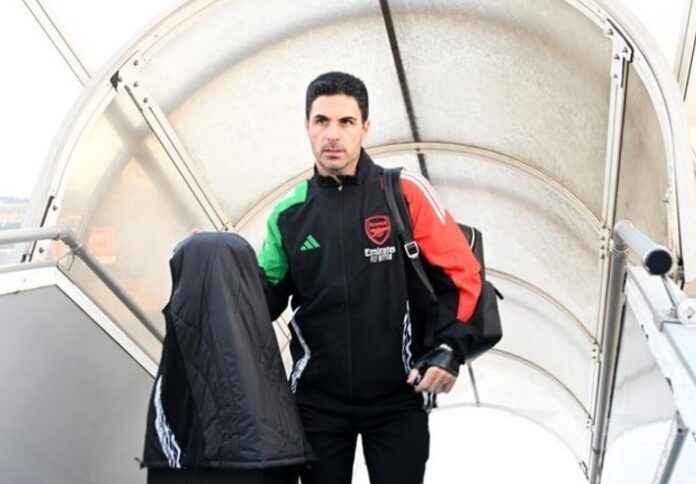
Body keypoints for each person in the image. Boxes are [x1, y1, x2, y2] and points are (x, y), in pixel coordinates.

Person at [257, 72, 482, 484]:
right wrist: (218, 258)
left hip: (399, 398)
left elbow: (462, 274)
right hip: (317, 404)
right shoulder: (288, 214)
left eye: (346, 122)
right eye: (321, 121)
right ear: (307, 126)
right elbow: (260, 298)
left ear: (366, 127)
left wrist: (451, 348)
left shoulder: (404, 191)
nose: (333, 134)